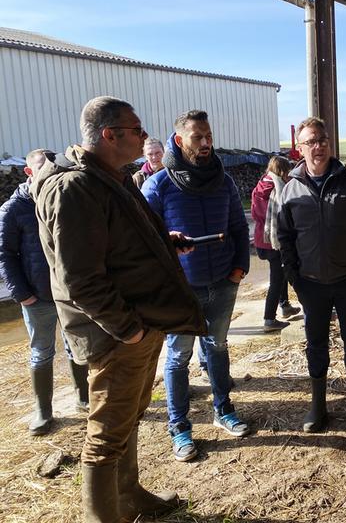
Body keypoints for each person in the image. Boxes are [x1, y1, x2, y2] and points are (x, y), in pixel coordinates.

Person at [32, 96, 206, 522]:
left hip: (138, 324)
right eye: (137, 129)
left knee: (127, 418)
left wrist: (165, 239)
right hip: (115, 335)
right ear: (110, 135)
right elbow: (81, 281)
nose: (146, 136)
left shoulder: (112, 177)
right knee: (105, 437)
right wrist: (129, 331)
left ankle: (128, 497)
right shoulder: (74, 188)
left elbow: (117, 241)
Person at [142, 110, 251, 462]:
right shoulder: (158, 185)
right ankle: (180, 428)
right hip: (180, 290)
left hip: (222, 282)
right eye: (197, 137)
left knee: (217, 347)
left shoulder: (225, 181)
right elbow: (141, 240)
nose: (205, 144)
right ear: (179, 140)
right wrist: (167, 243)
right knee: (177, 358)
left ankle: (223, 410)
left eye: (208, 136)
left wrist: (238, 270)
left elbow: (238, 227)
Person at [278, 117, 346, 433]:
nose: (317, 146)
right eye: (310, 141)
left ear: (329, 143)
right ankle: (317, 406)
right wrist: (295, 277)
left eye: (321, 140)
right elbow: (284, 237)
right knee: (316, 343)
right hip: (312, 285)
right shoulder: (290, 189)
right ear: (300, 147)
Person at [0, 149, 89, 436]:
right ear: (29, 172)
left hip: (70, 292)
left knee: (76, 345)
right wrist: (21, 294)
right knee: (42, 352)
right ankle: (43, 410)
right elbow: (4, 254)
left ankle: (84, 397)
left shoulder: (65, 197)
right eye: (41, 168)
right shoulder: (13, 210)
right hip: (36, 296)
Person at [251, 156, 301, 332]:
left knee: (282, 272)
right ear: (282, 171)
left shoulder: (261, 184)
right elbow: (280, 216)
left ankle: (285, 305)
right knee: (277, 279)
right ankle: (269, 319)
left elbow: (256, 214)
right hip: (273, 241)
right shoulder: (276, 188)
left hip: (262, 239)